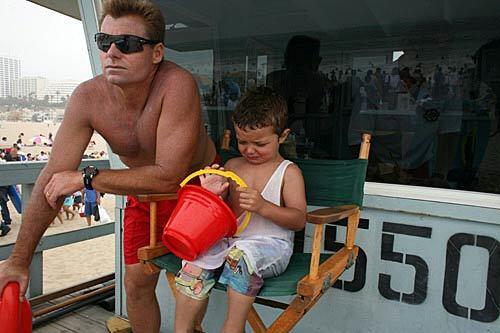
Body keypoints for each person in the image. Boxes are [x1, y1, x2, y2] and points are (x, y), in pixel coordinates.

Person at [0, 1, 216, 332]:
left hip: (198, 192)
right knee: (135, 284)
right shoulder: (88, 98)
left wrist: (88, 178)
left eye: (127, 44)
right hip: (144, 194)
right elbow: (52, 179)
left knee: (189, 286)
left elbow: (170, 176)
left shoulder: (176, 85)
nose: (112, 53)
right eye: (105, 42)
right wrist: (18, 260)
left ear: (156, 53)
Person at [174, 87, 306, 333]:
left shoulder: (289, 172)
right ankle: (182, 328)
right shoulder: (233, 165)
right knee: (195, 260)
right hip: (231, 241)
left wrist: (264, 207)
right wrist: (213, 195)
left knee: (240, 257)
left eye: (260, 143)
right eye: (242, 141)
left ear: (283, 136)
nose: (250, 150)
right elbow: (223, 216)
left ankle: (233, 327)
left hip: (271, 246)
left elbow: (299, 219)